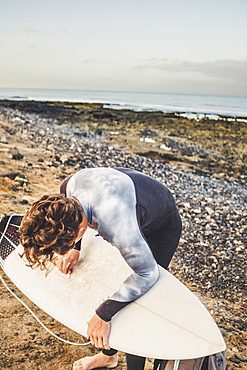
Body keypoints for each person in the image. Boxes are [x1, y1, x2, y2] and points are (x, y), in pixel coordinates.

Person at [20, 167, 182, 370]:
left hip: (160, 225)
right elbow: (70, 217)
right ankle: (108, 357)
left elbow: (147, 274)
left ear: (80, 231)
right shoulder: (67, 190)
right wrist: (75, 248)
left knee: (137, 302)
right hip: (126, 200)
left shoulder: (117, 224)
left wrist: (103, 314)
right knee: (117, 287)